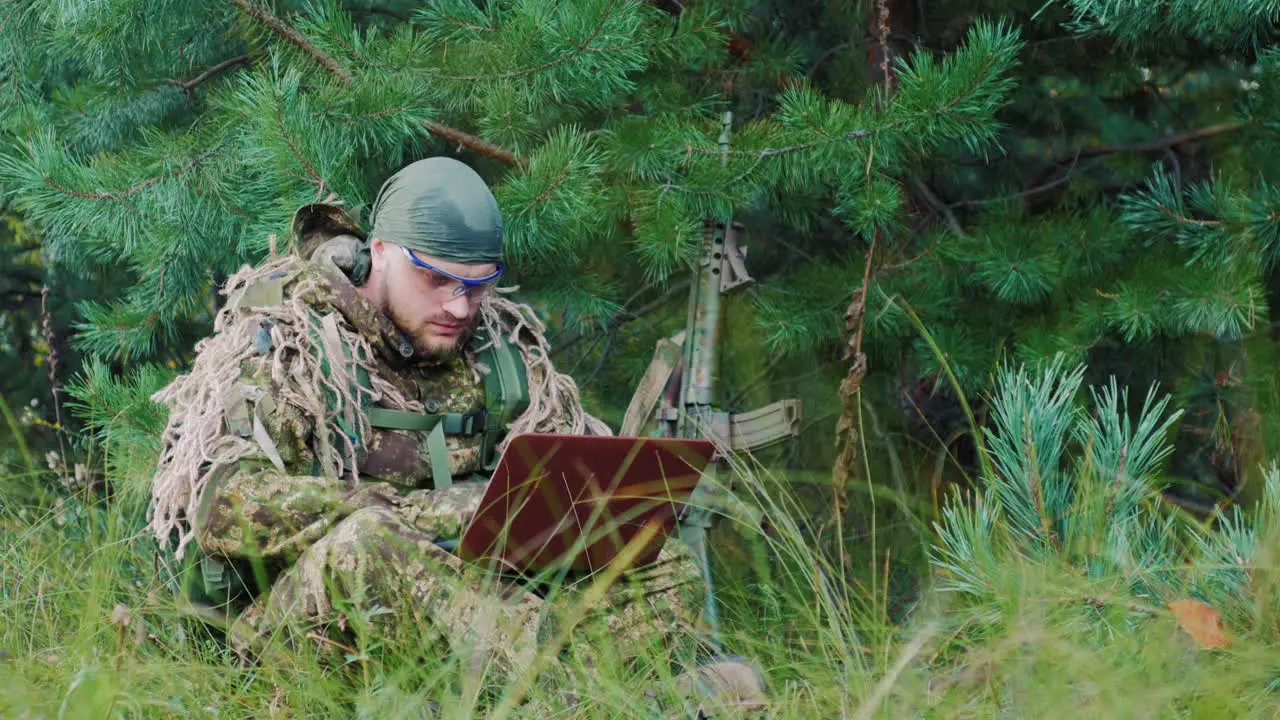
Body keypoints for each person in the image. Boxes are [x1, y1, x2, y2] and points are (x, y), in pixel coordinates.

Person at [147, 157, 767, 712]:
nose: (460, 306)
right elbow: (225, 505)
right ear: (381, 250)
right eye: (437, 279)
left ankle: (589, 694)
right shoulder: (294, 339)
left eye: (477, 285)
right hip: (305, 631)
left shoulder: (496, 349)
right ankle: (601, 704)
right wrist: (432, 514)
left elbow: (562, 484)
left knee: (664, 565)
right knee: (368, 544)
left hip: (473, 603)